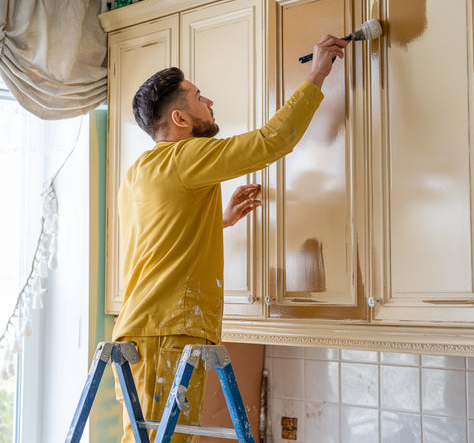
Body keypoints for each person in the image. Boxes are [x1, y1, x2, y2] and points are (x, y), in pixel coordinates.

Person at [112, 34, 348, 442]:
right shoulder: (185, 156)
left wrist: (219, 220)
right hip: (168, 330)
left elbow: (160, 237)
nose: (210, 103)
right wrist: (318, 73)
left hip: (145, 329)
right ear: (181, 120)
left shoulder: (138, 172)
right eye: (200, 97)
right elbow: (272, 140)